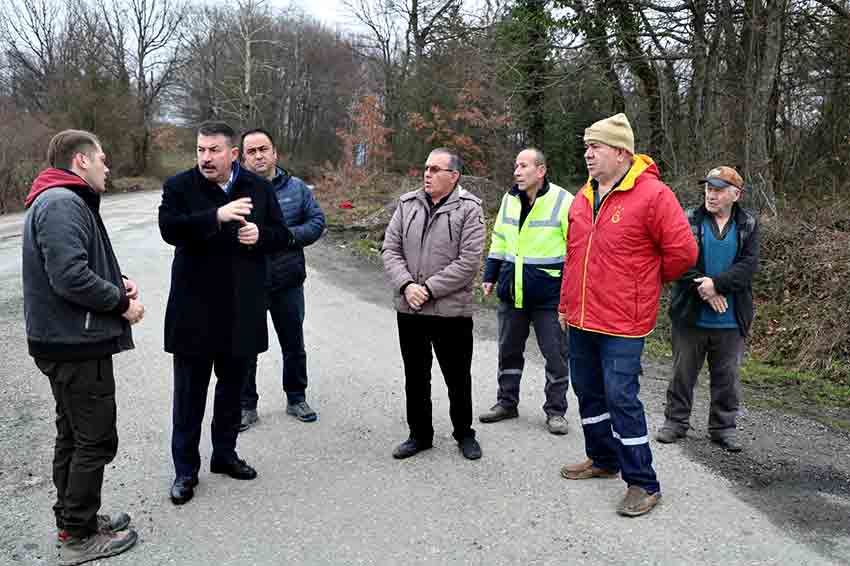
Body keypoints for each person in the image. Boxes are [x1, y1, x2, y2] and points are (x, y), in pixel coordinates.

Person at [557, 113, 698, 517]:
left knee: (621, 398)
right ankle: (602, 459)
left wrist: (646, 281)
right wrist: (566, 305)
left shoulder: (653, 195)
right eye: (586, 147)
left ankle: (643, 482)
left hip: (623, 321)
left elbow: (683, 252)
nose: (588, 154)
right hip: (582, 317)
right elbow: (573, 257)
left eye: (595, 147)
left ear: (621, 152)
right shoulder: (584, 195)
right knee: (587, 390)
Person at [22, 129, 143, 565]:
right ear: (80, 161)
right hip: (74, 341)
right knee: (94, 439)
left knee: (73, 434)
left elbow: (76, 265)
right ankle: (77, 534)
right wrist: (121, 303)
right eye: (102, 159)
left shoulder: (61, 199)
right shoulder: (62, 203)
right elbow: (70, 277)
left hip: (66, 338)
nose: (107, 168)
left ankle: (75, 518)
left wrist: (115, 280)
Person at [159, 121, 294, 505]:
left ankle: (225, 455)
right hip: (194, 312)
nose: (205, 158)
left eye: (214, 150)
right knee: (189, 397)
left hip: (241, 308)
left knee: (232, 391)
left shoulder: (259, 188)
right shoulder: (179, 187)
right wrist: (216, 216)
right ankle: (185, 471)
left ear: (233, 154)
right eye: (201, 150)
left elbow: (282, 235)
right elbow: (170, 229)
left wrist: (260, 237)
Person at [382, 148, 486, 461]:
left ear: (453, 176)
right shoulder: (407, 203)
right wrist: (407, 285)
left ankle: (464, 433)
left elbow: (468, 262)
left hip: (450, 312)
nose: (427, 174)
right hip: (410, 308)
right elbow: (390, 249)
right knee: (415, 375)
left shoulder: (470, 209)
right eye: (426, 168)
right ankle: (419, 434)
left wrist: (426, 289)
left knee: (457, 377)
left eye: (436, 169)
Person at [657, 166, 760, 452]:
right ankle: (675, 422)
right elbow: (677, 260)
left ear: (735, 194)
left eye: (718, 190)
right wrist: (704, 290)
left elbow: (748, 266)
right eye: (708, 189)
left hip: (731, 319)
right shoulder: (687, 218)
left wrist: (716, 285)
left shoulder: (748, 223)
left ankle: (723, 428)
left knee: (727, 378)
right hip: (690, 315)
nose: (710, 195)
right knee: (682, 373)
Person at [479, 148, 574, 435]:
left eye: (523, 166)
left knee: (556, 355)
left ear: (541, 171)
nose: (516, 171)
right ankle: (506, 402)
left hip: (549, 296)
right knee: (508, 351)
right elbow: (500, 238)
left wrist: (570, 295)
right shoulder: (510, 199)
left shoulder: (563, 201)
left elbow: (576, 249)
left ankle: (556, 411)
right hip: (512, 291)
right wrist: (490, 275)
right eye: (515, 165)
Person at [237, 128, 326, 430]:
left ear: (275, 153)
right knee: (247, 346)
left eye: (264, 149)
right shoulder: (235, 190)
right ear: (243, 157)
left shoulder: (298, 188)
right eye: (252, 151)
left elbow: (316, 222)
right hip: (249, 283)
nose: (259, 155)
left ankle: (296, 397)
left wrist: (288, 237)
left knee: (293, 343)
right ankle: (246, 405)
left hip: (288, 280)